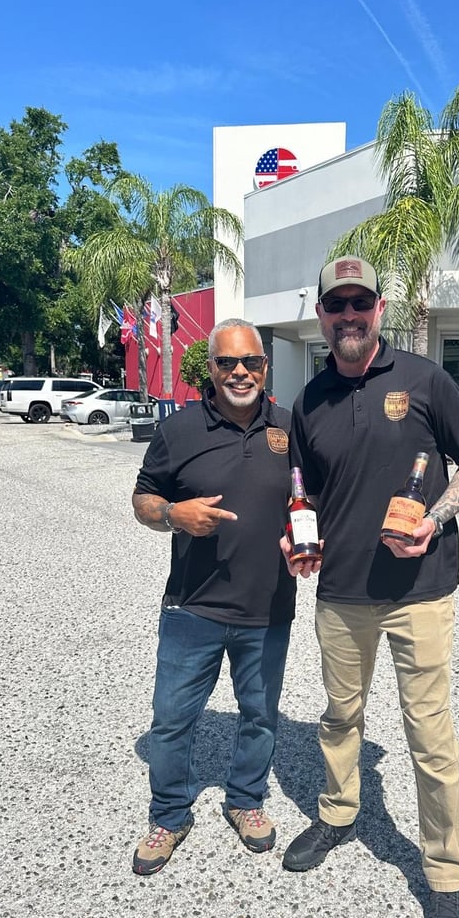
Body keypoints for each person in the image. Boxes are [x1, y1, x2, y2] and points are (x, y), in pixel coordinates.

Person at [281, 256, 459, 918]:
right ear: (321, 314)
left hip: (419, 592)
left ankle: (445, 874)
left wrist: (434, 517)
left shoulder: (424, 379)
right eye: (336, 303)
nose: (349, 314)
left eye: (360, 302)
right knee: (341, 714)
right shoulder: (307, 402)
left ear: (379, 307)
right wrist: (296, 540)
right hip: (340, 594)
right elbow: (304, 496)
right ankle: (340, 812)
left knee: (429, 734)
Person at [131, 318, 296, 875]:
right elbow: (143, 499)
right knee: (172, 719)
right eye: (227, 363)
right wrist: (174, 515)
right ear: (211, 369)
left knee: (260, 715)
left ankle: (246, 800)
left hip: (269, 605)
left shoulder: (291, 429)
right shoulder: (179, 430)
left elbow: (312, 501)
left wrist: (309, 544)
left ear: (265, 366)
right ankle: (170, 813)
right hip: (191, 607)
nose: (240, 372)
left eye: (250, 361)